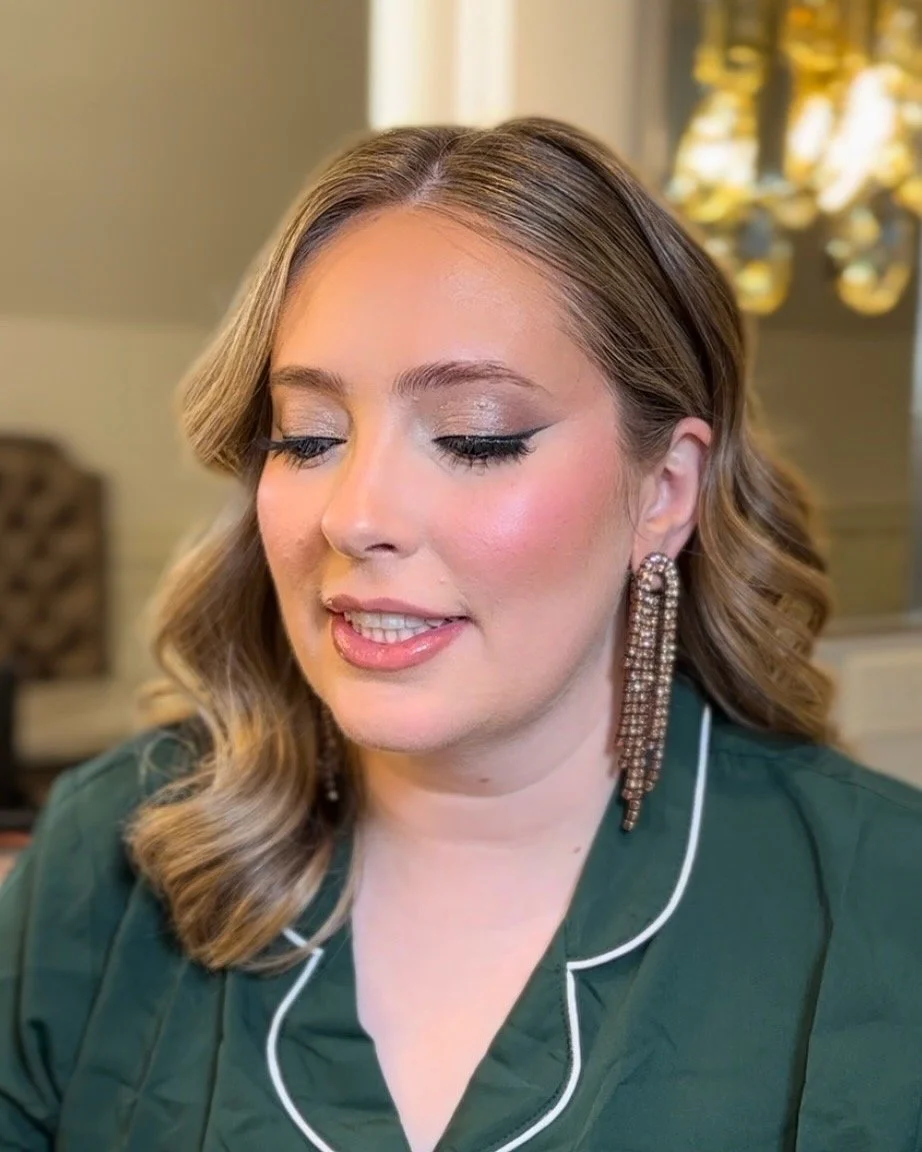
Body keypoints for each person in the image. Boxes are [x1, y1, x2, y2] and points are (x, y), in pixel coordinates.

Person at [1, 117, 920, 1152]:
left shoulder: (886, 905)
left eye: (474, 438)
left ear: (663, 489)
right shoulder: (108, 856)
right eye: (306, 438)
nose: (354, 516)